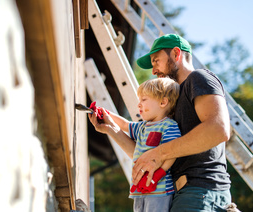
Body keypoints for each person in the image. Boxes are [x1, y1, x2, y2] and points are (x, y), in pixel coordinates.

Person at [133, 33, 232, 211]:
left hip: (201, 190)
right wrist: (110, 128)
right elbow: (145, 153)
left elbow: (219, 129)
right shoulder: (171, 104)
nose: (153, 70)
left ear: (176, 54)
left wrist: (159, 153)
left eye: (156, 61)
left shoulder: (199, 78)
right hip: (181, 194)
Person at [88, 78, 181, 212]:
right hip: (139, 188)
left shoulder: (169, 126)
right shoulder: (143, 127)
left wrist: (159, 173)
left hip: (159, 190)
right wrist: (105, 113)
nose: (139, 104)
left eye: (144, 100)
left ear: (163, 102)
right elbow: (125, 124)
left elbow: (172, 153)